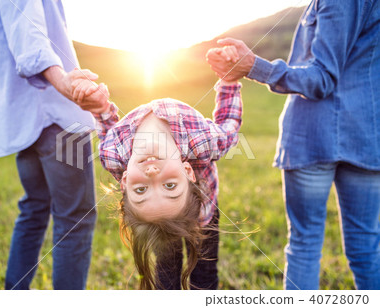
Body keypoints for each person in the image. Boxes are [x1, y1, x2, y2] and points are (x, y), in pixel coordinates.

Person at [207, 0, 380, 290]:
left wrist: (254, 66)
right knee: (366, 247)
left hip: (313, 135)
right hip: (366, 134)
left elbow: (322, 79)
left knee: (305, 244)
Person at [74, 47, 242, 289]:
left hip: (197, 216)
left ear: (124, 181)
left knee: (203, 271)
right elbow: (229, 127)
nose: (152, 175)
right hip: (203, 205)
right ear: (187, 171)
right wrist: (229, 80)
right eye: (170, 186)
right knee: (167, 269)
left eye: (140, 190)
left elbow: (110, 130)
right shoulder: (202, 141)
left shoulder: (113, 154)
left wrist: (100, 107)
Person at [0, 0, 108, 289]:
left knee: (35, 207)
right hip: (54, 111)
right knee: (74, 218)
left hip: (22, 114)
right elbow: (28, 27)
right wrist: (63, 83)